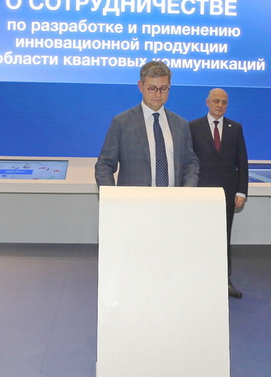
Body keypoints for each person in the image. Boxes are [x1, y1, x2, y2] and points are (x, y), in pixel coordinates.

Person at [95, 60, 199, 187]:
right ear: (141, 86)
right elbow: (105, 164)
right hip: (134, 199)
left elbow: (190, 163)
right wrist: (110, 194)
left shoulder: (181, 124)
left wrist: (188, 189)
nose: (158, 94)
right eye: (152, 88)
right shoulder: (122, 122)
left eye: (164, 88)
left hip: (173, 198)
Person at [189, 88, 249, 298]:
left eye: (224, 102)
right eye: (216, 101)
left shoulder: (235, 128)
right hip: (200, 194)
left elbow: (242, 162)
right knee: (199, 237)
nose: (220, 105)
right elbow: (188, 161)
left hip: (227, 195)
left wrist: (241, 191)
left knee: (224, 237)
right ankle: (198, 279)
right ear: (207, 102)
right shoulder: (193, 127)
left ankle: (225, 280)